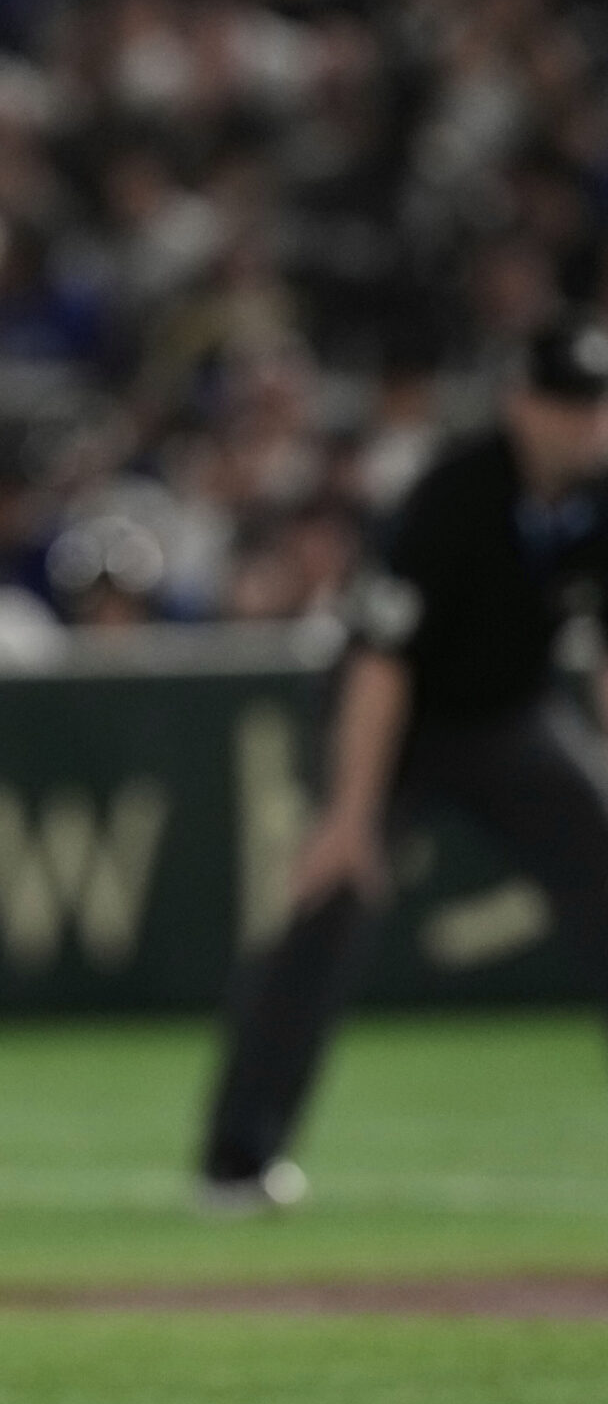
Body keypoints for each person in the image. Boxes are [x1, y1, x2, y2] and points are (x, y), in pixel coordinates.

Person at [200, 318, 608, 1208]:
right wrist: (351, 812)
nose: (586, 424)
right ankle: (239, 1156)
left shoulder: (600, 498)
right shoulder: (453, 496)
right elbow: (381, 662)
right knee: (329, 899)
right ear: (520, 404)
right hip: (396, 726)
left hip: (513, 719)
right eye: (568, 405)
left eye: (596, 406)